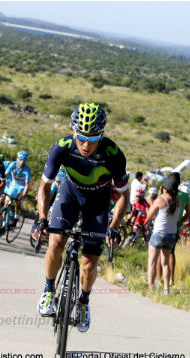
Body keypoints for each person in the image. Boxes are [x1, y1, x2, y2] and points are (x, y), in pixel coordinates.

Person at [34, 103, 129, 333]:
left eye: (93, 137)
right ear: (74, 131)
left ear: (102, 134)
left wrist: (114, 227)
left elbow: (125, 197)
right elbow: (43, 188)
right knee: (55, 242)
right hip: (70, 192)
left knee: (89, 262)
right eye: (82, 137)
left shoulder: (113, 154)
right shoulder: (62, 147)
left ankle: (84, 302)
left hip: (98, 201)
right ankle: (49, 290)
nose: (86, 144)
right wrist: (42, 218)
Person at [145, 178, 180, 295]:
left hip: (158, 234)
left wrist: (156, 199)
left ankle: (151, 289)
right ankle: (166, 289)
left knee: (152, 262)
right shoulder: (178, 202)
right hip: (171, 236)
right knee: (165, 264)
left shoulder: (160, 201)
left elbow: (149, 216)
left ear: (164, 189)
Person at [156, 172, 190, 286]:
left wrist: (159, 193)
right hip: (175, 227)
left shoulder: (163, 196)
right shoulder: (185, 197)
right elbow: (189, 213)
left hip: (162, 227)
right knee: (171, 254)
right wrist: (181, 221)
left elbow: (156, 208)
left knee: (158, 254)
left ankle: (158, 278)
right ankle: (171, 280)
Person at [2, 150, 31, 227]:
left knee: (17, 201)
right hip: (13, 185)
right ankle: (3, 222)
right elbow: (5, 174)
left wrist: (23, 195)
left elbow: (27, 185)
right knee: (6, 202)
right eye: (20, 159)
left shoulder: (27, 169)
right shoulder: (13, 164)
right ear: (17, 158)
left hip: (21, 187)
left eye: (24, 160)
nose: (22, 162)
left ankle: (16, 217)